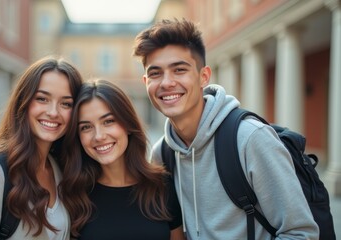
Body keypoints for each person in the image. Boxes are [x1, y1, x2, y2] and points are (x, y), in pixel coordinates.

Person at [132, 18, 319, 239]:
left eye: (179, 70)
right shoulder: (162, 153)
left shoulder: (250, 139)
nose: (166, 83)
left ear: (203, 77)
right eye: (155, 73)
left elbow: (300, 233)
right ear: (146, 82)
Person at [0, 55, 83, 239]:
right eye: (42, 99)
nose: (53, 112)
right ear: (24, 102)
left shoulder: (59, 169)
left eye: (66, 104)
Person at [61, 79, 185, 240]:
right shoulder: (73, 195)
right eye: (86, 127)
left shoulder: (162, 185)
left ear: (127, 124)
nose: (99, 136)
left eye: (108, 121)